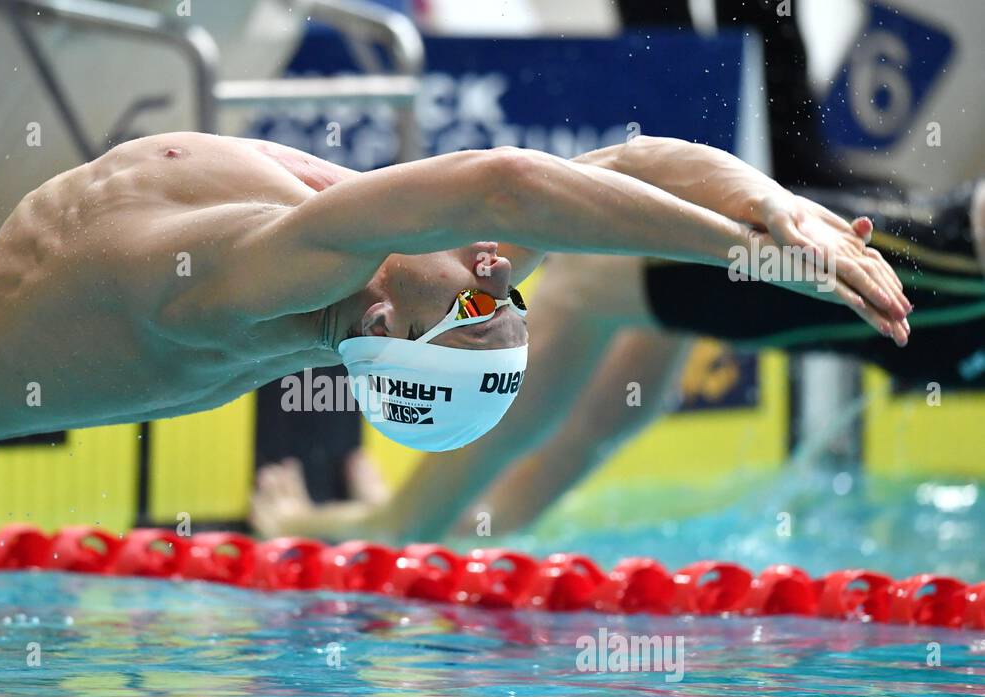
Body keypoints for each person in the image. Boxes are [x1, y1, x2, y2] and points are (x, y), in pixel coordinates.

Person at [0, 132, 906, 523]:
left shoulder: (242, 283)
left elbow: (505, 184)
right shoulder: (425, 285)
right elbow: (629, 166)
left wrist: (748, 255)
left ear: (383, 322)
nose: (493, 275)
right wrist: (774, 212)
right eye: (501, 299)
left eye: (476, 303)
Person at [250, 181, 985, 543]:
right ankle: (455, 525)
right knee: (619, 320)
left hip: (932, 283)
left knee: (592, 293)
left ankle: (411, 524)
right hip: (933, 303)